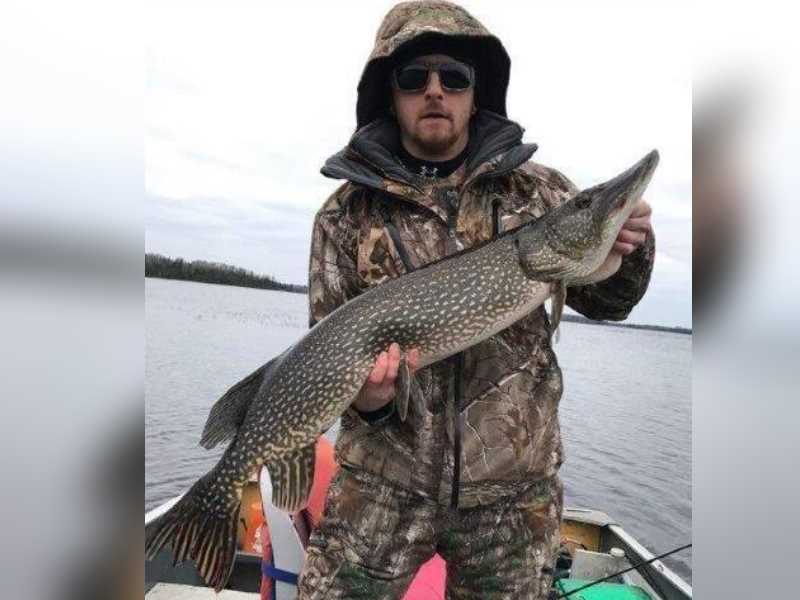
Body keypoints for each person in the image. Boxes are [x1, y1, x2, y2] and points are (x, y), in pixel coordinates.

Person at [300, 2, 654, 598]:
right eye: (414, 77)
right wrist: (372, 401)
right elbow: (330, 356)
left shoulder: (540, 194)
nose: (435, 90)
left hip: (513, 497)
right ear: (389, 93)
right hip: (381, 484)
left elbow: (612, 301)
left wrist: (629, 244)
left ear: (476, 90)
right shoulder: (344, 216)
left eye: (454, 76)